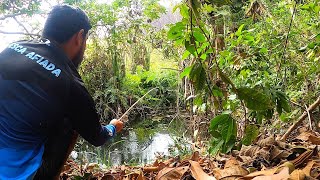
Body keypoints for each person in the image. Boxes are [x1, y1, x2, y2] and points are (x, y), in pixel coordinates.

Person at [0, 4, 124, 179]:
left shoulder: (12, 48)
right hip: (14, 175)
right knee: (68, 121)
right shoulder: (71, 83)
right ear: (80, 36)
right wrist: (113, 126)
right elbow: (98, 138)